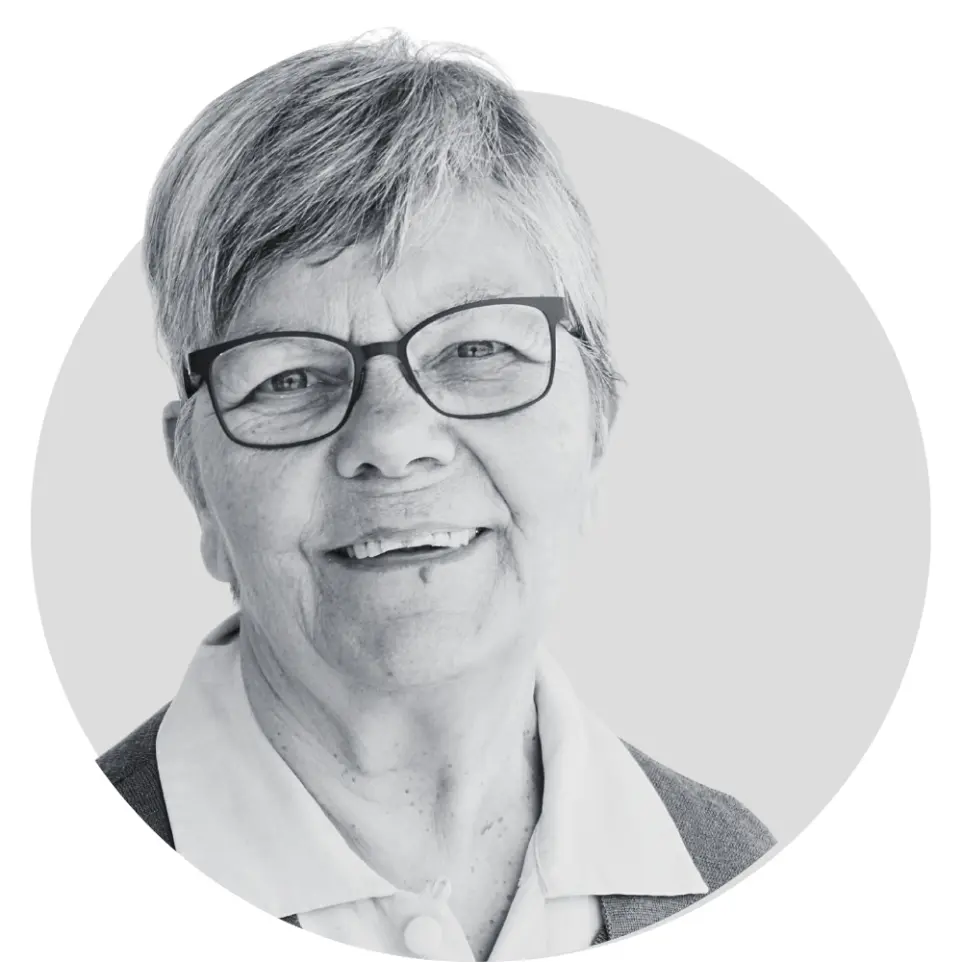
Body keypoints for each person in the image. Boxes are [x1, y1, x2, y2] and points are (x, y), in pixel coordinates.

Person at [98, 32, 775, 961]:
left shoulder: (746, 880)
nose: (392, 440)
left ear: (597, 427)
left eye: (477, 350)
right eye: (289, 377)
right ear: (197, 483)